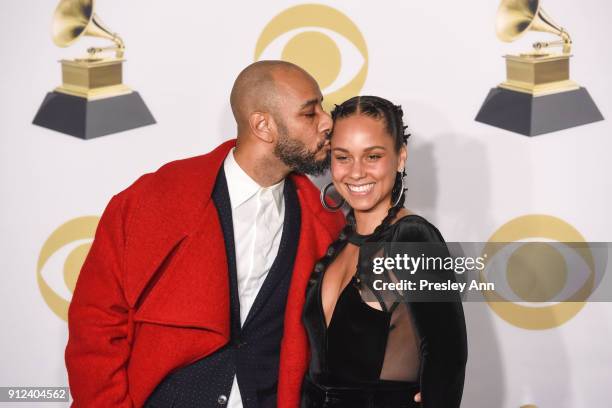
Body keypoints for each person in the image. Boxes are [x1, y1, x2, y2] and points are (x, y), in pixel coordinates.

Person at [64, 60, 345, 408]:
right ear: (263, 125)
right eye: (309, 113)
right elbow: (96, 324)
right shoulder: (149, 201)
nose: (328, 122)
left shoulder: (324, 222)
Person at [301, 96, 468, 408]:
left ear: (400, 157)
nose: (356, 172)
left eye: (372, 156)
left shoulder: (413, 238)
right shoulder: (338, 243)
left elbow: (448, 359)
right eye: (343, 157)